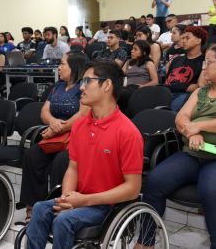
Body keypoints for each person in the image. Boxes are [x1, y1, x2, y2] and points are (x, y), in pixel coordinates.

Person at [141, 45, 216, 249]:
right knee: (154, 181)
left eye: (208, 62)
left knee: (211, 191)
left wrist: (198, 125)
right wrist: (193, 132)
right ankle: (145, 242)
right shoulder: (201, 91)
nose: (203, 67)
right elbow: (181, 117)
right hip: (194, 152)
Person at [26, 59, 144, 249]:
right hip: (81, 197)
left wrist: (84, 200)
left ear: (106, 85)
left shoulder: (127, 132)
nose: (82, 88)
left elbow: (132, 188)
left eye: (87, 81)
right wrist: (67, 197)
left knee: (63, 221)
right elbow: (73, 168)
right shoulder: (80, 125)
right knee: (40, 208)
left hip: (108, 205)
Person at [20, 51, 89, 222]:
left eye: (63, 64)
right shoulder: (57, 86)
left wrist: (57, 128)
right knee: (32, 155)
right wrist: (52, 123)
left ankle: (56, 208)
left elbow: (82, 115)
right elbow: (44, 111)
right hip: (55, 135)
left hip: (75, 137)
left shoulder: (83, 87)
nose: (59, 67)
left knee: (61, 161)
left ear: (74, 67)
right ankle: (33, 206)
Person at [164, 26, 207, 112]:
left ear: (199, 40)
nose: (183, 40)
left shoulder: (205, 60)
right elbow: (167, 82)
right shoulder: (176, 60)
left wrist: (175, 86)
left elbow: (199, 87)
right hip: (168, 94)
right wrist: (187, 86)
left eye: (187, 38)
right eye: (182, 38)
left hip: (186, 97)